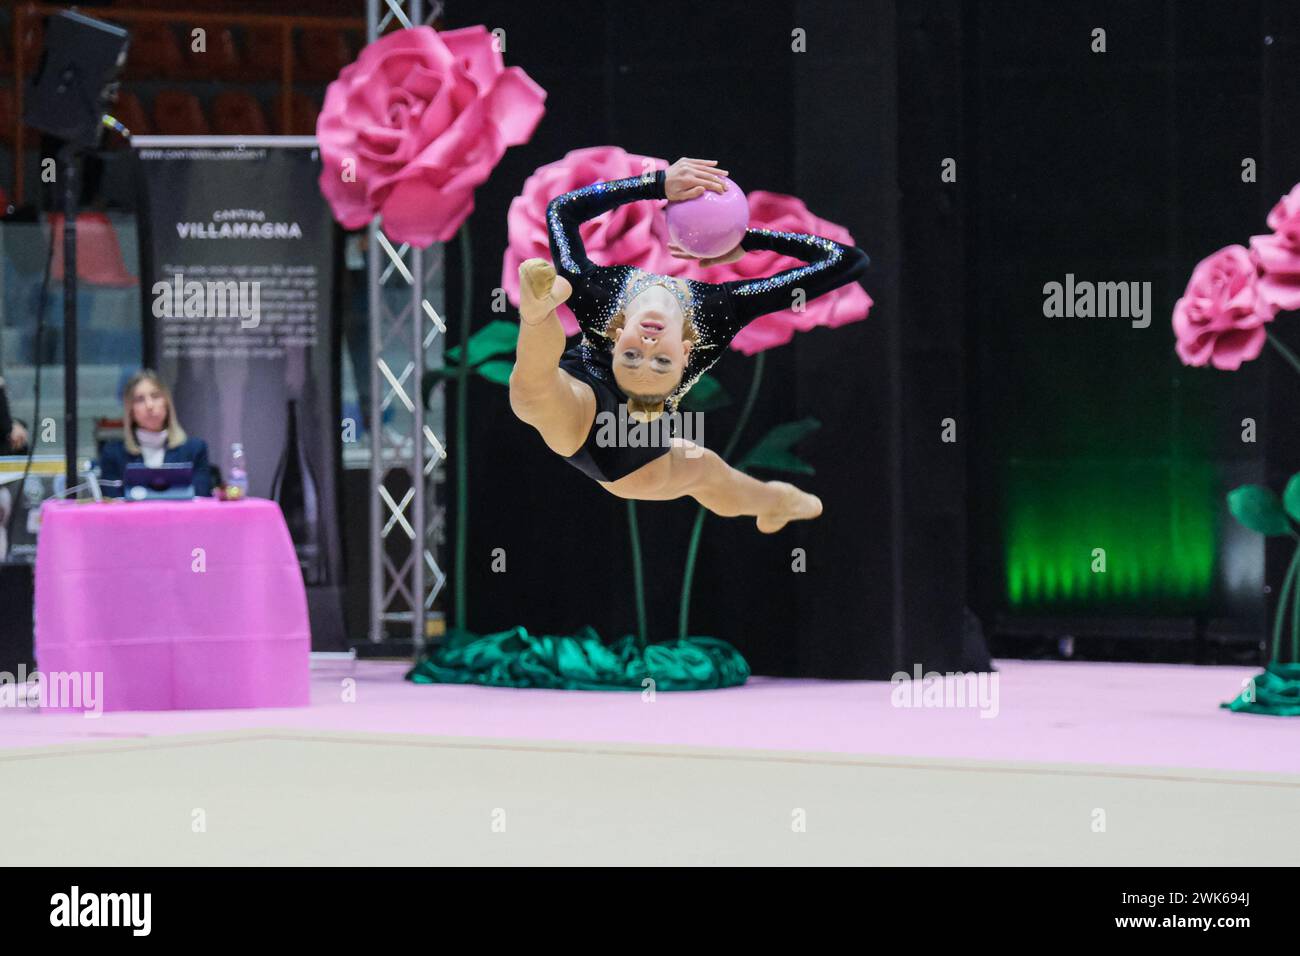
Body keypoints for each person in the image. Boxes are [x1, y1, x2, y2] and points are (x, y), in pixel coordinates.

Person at [509, 156, 870, 534]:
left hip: (619, 444)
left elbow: (561, 210)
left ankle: (538, 315)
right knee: (710, 473)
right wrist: (747, 241)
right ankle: (776, 500)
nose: (647, 344)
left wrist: (656, 185)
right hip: (635, 427)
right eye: (660, 360)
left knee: (532, 396)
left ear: (617, 342)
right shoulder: (719, 312)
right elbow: (846, 261)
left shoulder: (595, 294)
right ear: (684, 353)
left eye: (633, 356)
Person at [98, 369, 212, 497]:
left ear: (167, 403)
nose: (149, 405)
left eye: (155, 396)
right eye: (140, 399)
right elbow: (111, 504)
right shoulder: (113, 454)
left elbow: (202, 497)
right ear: (131, 410)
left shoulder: (195, 450)